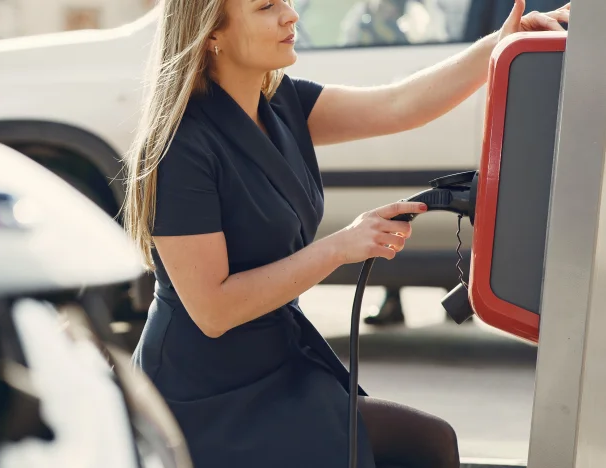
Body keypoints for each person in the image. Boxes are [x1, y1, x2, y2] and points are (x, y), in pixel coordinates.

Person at [122, 0, 570, 467]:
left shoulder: (282, 103)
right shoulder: (179, 146)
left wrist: (500, 45)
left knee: (426, 443)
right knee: (422, 445)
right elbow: (213, 311)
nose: (291, 15)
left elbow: (401, 105)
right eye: (266, 7)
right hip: (202, 396)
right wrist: (342, 246)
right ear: (211, 33)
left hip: (276, 363)